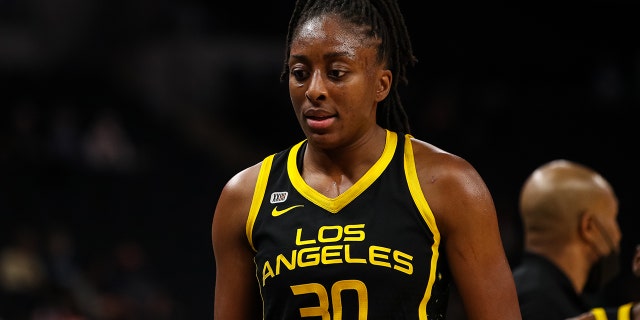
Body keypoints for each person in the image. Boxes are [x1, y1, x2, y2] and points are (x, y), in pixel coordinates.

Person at [211, 0, 521, 319]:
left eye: (336, 73)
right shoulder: (244, 197)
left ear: (381, 84)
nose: (314, 90)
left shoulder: (448, 184)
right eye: (300, 73)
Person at [513, 159, 625, 320]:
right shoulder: (542, 305)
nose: (618, 234)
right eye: (613, 218)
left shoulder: (518, 291)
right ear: (589, 228)